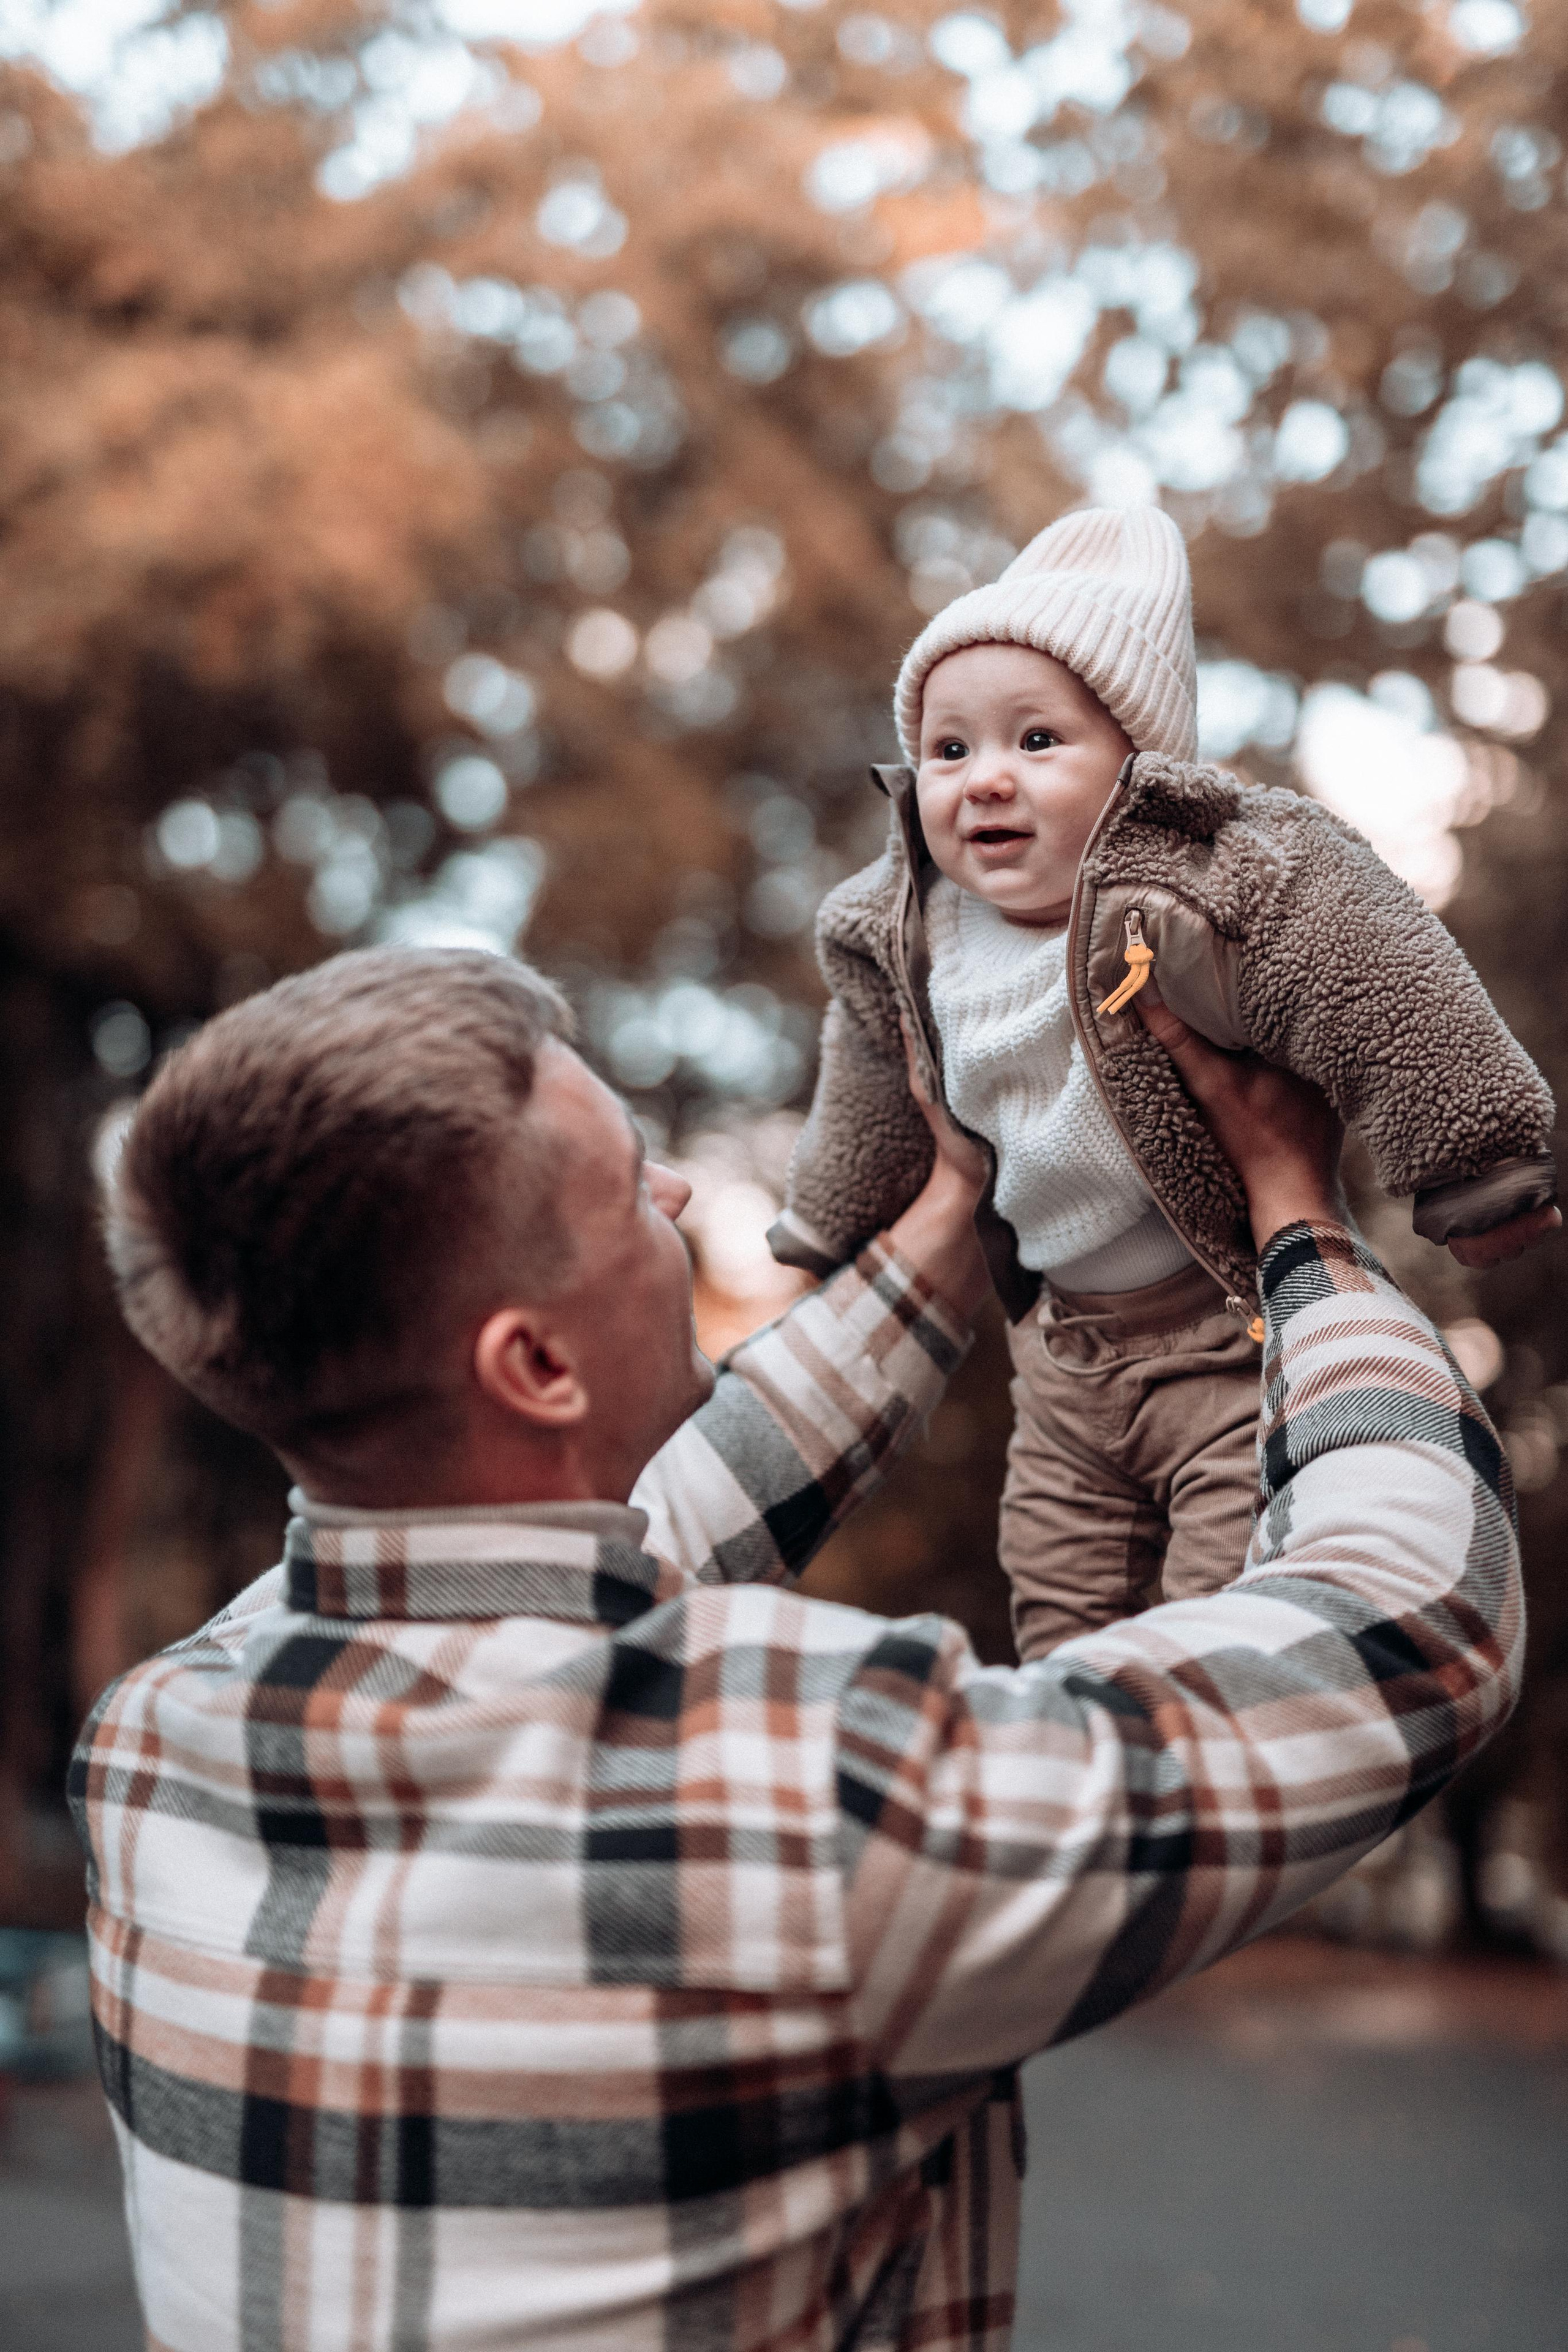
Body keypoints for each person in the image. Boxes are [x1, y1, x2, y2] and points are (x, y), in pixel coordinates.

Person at [74, 943, 1524, 2352]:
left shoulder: (151, 1745)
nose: (679, 1189)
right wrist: (1302, 1232)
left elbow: (664, 1515)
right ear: (533, 1364)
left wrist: (963, 1200)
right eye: (631, 1189)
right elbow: (1406, 1615)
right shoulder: (804, 1801)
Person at [769, 504, 1558, 1656]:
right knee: (1060, 1627)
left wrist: (1477, 1162)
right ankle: (1069, 1803)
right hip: (1061, 1362)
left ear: (1137, 767)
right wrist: (835, 1226)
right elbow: (871, 1084)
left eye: (1037, 743)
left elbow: (1368, 960)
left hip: (1223, 1339)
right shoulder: (903, 931)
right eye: (950, 749)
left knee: (1209, 1634)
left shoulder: (1191, 888)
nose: (984, 780)